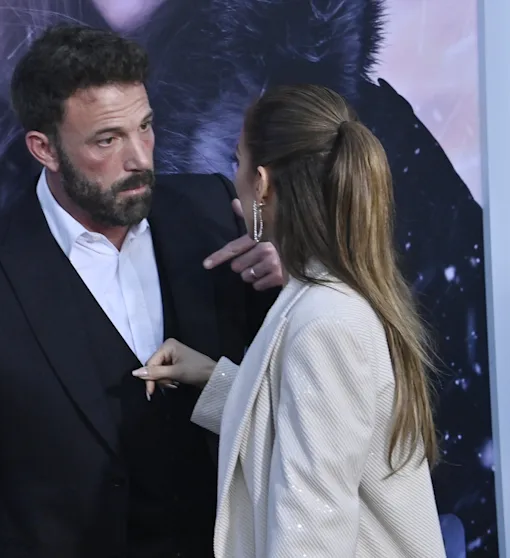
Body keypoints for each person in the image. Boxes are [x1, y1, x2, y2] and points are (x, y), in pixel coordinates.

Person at [0, 24, 283, 557]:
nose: (140, 158)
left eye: (145, 127)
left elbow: (293, 398)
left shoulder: (213, 211)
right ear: (45, 149)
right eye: (108, 139)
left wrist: (289, 287)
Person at [133, 84, 446, 557]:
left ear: (261, 183)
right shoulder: (330, 298)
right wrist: (212, 378)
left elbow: (312, 529)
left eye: (237, 162)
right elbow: (299, 429)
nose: (233, 180)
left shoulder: (325, 322)